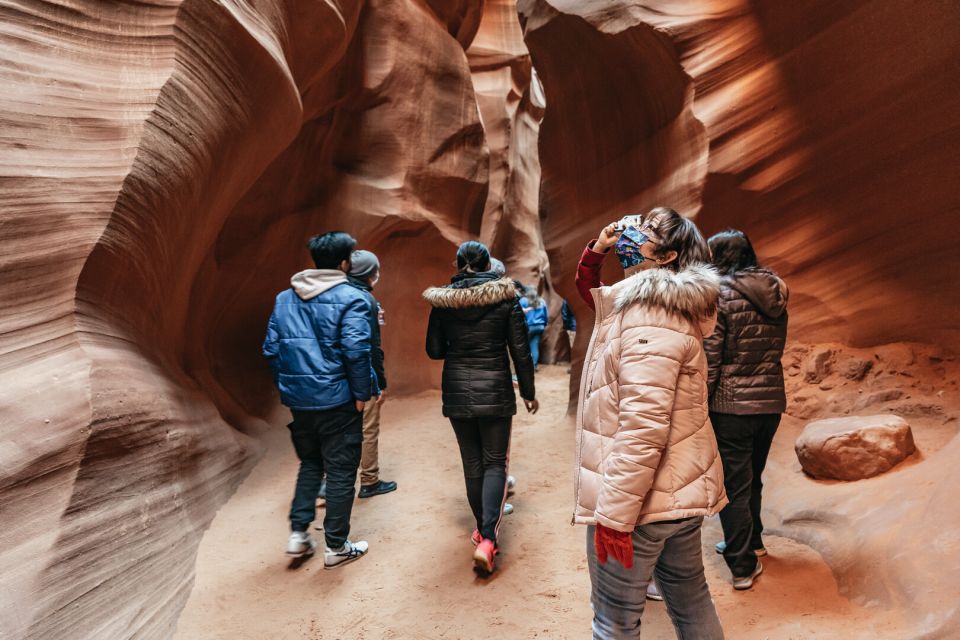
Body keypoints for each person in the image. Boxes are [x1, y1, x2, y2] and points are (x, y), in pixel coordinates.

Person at [574, 208, 727, 639]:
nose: (633, 229)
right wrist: (599, 247)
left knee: (614, 621)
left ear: (666, 255)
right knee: (691, 599)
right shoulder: (661, 306)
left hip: (642, 504)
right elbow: (594, 293)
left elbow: (644, 426)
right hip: (674, 492)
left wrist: (615, 517)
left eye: (649, 229)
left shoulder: (649, 316)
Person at [424, 240, 539, 573]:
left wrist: (459, 344)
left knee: (472, 462)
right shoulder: (506, 299)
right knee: (494, 463)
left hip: (457, 390)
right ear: (489, 265)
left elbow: (434, 350)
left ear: (459, 264)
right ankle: (488, 537)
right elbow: (521, 352)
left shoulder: (442, 302)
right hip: (496, 391)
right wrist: (528, 392)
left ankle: (482, 530)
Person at [263, 231, 375, 569]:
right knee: (341, 470)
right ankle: (336, 546)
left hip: (300, 400)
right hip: (338, 399)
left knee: (311, 463)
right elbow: (356, 351)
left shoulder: (284, 299)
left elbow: (270, 348)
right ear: (343, 262)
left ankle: (299, 534)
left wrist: (290, 387)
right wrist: (361, 394)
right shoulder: (352, 298)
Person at [704, 230, 789, 590]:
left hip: (732, 404)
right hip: (770, 402)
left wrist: (699, 401)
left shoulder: (720, 295)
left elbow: (712, 357)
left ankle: (741, 565)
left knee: (734, 485)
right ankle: (751, 541)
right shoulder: (777, 290)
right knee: (753, 475)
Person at [346, 250, 398, 499]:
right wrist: (381, 383)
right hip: (362, 375)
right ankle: (369, 480)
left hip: (333, 378)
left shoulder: (333, 294)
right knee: (367, 429)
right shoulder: (366, 301)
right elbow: (372, 347)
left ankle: (327, 483)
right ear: (371, 274)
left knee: (338, 431)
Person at [519, 285, 548, 368]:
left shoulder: (523, 300)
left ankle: (525, 366)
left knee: (525, 346)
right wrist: (544, 324)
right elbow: (546, 315)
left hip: (529, 327)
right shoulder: (542, 301)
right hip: (540, 327)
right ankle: (534, 366)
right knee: (534, 345)